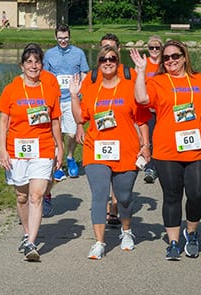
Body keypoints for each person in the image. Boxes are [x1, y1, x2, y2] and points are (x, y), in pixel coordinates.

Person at [130, 40, 201, 260]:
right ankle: (174, 242)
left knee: (197, 195)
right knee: (172, 196)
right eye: (166, 58)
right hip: (167, 150)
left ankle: (192, 232)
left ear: (184, 56)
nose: (170, 61)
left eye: (175, 56)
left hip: (198, 149)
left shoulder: (199, 80)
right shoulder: (159, 82)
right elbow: (141, 99)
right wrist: (140, 72)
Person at [71, 45, 152, 260]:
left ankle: (126, 231)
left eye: (113, 59)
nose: (108, 62)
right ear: (98, 64)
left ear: (118, 63)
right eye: (104, 59)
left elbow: (142, 120)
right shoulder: (92, 89)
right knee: (99, 195)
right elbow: (81, 117)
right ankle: (99, 242)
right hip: (96, 150)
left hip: (126, 150)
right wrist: (73, 96)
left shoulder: (129, 87)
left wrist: (146, 146)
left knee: (124, 197)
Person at [0, 44, 63, 262]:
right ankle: (26, 233)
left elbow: (54, 121)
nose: (33, 66)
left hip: (43, 148)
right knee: (22, 196)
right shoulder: (11, 89)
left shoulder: (50, 89)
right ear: (22, 65)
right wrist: (2, 149)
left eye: (37, 61)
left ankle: (32, 243)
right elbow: (4, 120)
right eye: (29, 62)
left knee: (36, 195)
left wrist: (59, 147)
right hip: (17, 150)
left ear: (42, 65)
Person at [83, 33, 137, 226]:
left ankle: (116, 208)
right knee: (101, 186)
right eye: (103, 52)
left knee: (122, 188)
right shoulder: (94, 76)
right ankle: (107, 214)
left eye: (112, 52)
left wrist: (145, 143)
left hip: (123, 138)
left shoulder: (129, 75)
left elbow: (141, 108)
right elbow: (84, 109)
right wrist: (81, 126)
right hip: (100, 139)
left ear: (118, 51)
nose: (107, 58)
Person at [43, 23, 89, 181]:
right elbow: (45, 77)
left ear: (70, 37)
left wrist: (80, 92)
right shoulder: (49, 54)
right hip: (55, 99)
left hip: (72, 99)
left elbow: (84, 74)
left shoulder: (79, 53)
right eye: (60, 38)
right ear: (55, 37)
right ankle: (58, 164)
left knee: (71, 133)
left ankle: (70, 157)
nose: (63, 41)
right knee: (56, 134)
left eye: (66, 38)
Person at [142, 35, 162, 184]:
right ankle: (149, 167)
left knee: (161, 138)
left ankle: (162, 165)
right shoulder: (144, 64)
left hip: (162, 108)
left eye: (157, 47)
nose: (154, 50)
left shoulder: (165, 64)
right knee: (148, 138)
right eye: (151, 48)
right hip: (148, 109)